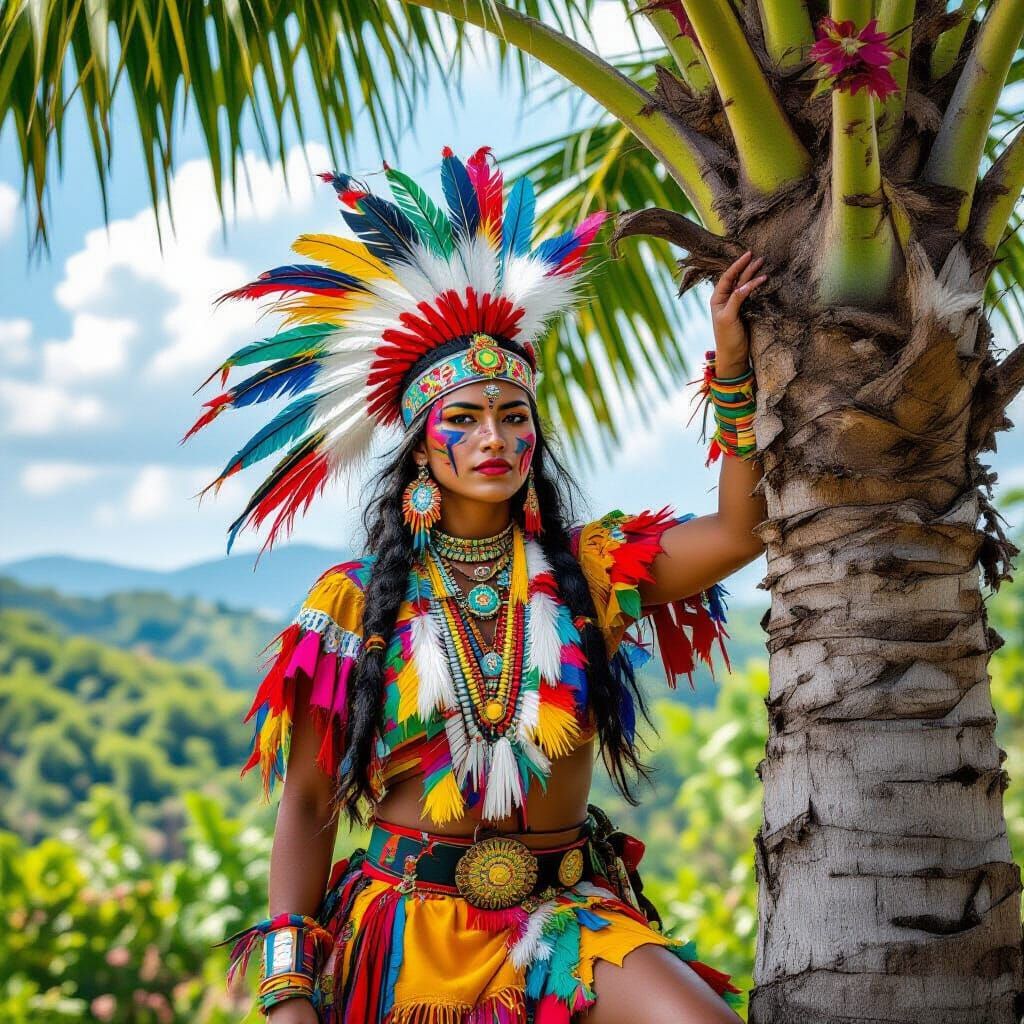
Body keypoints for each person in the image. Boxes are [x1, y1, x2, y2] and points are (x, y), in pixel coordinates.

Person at [190, 145, 767, 1024]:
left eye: (513, 416)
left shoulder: (594, 571)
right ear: (424, 447)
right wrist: (288, 991)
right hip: (406, 930)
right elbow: (308, 802)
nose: (493, 437)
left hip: (566, 920)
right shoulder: (351, 604)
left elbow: (736, 533)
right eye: (463, 419)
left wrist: (733, 369)